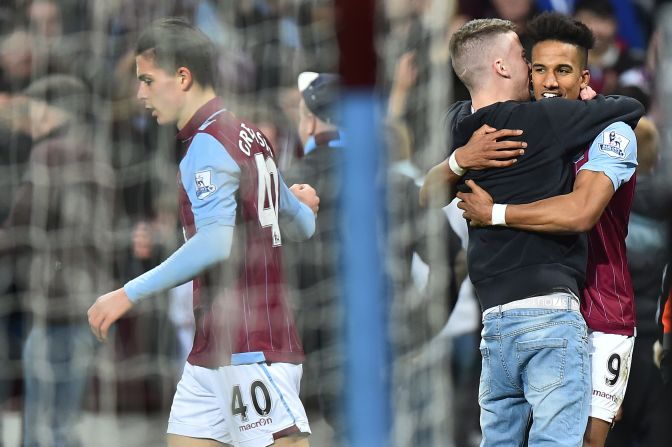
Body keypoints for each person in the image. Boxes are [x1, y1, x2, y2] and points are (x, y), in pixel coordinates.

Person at [86, 18, 318, 447]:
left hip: (250, 346)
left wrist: (127, 293)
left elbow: (214, 242)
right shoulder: (250, 135)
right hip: (211, 350)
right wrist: (305, 204)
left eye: (147, 80)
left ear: (182, 77)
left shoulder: (208, 145)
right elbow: (301, 224)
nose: (140, 94)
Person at [422, 18, 643, 446]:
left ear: (583, 77)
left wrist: (497, 212)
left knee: (584, 441)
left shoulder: (609, 132)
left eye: (562, 71)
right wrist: (460, 158)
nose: (548, 81)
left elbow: (581, 211)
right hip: (549, 306)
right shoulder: (521, 124)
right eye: (538, 67)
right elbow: (426, 191)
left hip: (602, 310)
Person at [0, 74, 114, 447]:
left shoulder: (51, 154)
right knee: (63, 419)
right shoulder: (94, 151)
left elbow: (21, 225)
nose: (27, 120)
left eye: (32, 110)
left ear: (53, 111)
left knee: (44, 426)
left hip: (57, 302)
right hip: (88, 298)